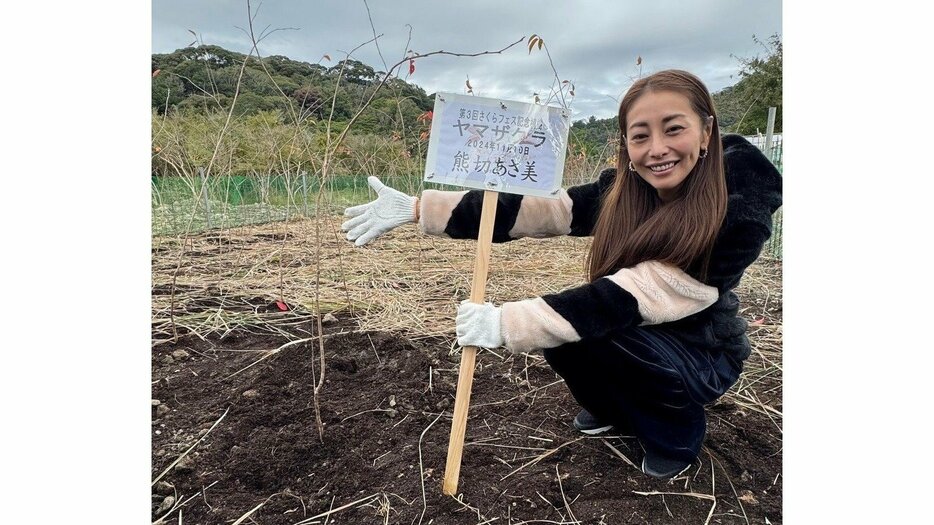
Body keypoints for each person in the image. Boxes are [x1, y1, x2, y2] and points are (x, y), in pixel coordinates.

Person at [341, 69, 782, 479]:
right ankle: (613, 410)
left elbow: (643, 292)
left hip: (703, 351)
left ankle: (676, 435)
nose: (657, 149)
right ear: (626, 145)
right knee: (569, 336)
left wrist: (505, 323)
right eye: (640, 136)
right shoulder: (628, 190)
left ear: (706, 131)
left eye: (674, 128)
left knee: (593, 327)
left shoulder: (738, 209)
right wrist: (422, 209)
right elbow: (546, 210)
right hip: (641, 327)